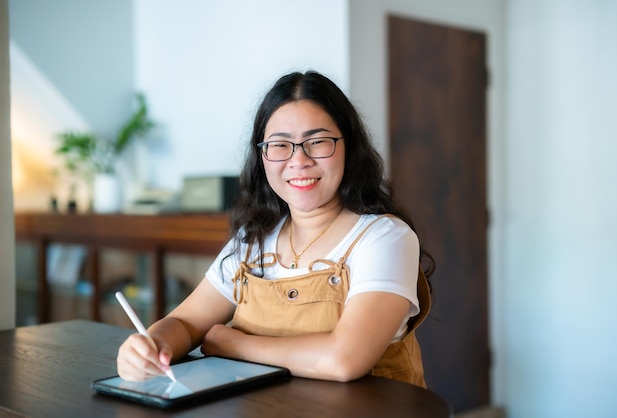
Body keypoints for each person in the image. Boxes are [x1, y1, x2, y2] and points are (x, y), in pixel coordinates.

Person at [117, 70, 434, 388]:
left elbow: (345, 359)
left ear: (348, 147)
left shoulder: (386, 238)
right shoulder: (253, 239)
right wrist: (150, 346)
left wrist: (234, 345)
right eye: (280, 145)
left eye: (317, 141)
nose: (299, 160)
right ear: (262, 156)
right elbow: (184, 323)